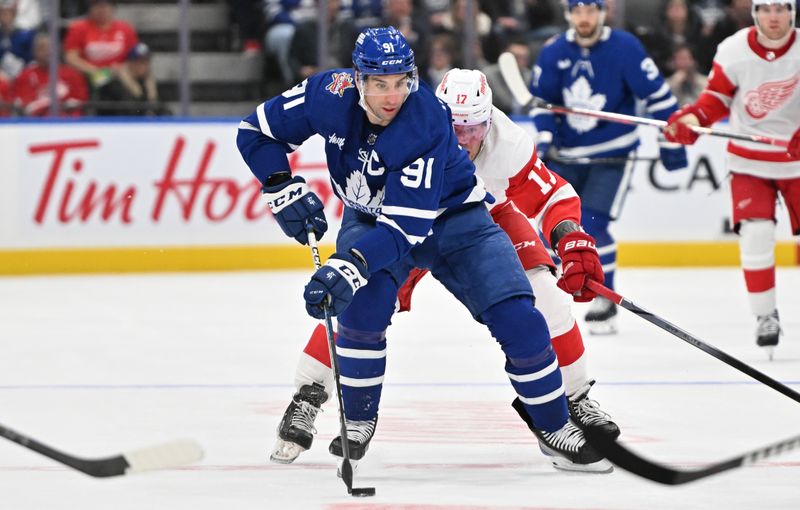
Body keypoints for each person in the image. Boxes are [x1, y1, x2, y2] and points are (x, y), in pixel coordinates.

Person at [237, 26, 612, 473]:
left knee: (535, 301)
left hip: (468, 216)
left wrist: (570, 236)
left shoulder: (467, 133)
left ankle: (570, 402)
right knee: (356, 308)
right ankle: (311, 393)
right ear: (358, 80)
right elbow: (257, 131)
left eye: (474, 126)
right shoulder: (333, 96)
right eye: (379, 84)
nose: (465, 137)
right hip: (383, 216)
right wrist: (280, 185)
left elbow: (544, 196)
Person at [529, 0, 689, 335]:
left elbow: (659, 98)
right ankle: (555, 298)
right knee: (555, 228)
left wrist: (671, 143)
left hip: (611, 155)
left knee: (593, 223)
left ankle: (603, 298)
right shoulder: (554, 50)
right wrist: (543, 137)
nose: (584, 18)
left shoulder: (625, 47)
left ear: (602, 13)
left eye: (591, 11)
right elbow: (542, 103)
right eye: (578, 12)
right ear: (569, 14)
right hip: (565, 156)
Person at [665, 0, 800, 358]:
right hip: (750, 162)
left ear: (793, 12)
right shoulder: (734, 49)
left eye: (782, 9)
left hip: (798, 164)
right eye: (767, 9)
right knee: (756, 233)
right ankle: (765, 316)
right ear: (756, 13)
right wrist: (692, 120)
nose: (774, 17)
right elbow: (715, 101)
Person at [63, 0, 139, 91]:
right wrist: (97, 71)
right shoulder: (79, 28)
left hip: (120, 75)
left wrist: (119, 69)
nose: (101, 10)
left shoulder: (126, 29)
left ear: (113, 8)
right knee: (100, 80)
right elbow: (71, 58)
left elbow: (135, 57)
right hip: (90, 75)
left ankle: (142, 100)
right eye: (97, 6)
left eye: (105, 6)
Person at [12, 31, 89, 116]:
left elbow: (78, 103)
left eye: (51, 47)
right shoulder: (25, 75)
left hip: (68, 124)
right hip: (36, 125)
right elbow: (27, 106)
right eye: (42, 48)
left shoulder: (73, 74)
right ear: (34, 51)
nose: (47, 52)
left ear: (59, 49)